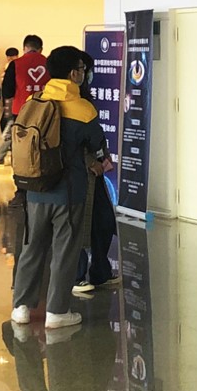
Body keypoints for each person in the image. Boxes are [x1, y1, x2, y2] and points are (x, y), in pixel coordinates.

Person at [11, 46, 107, 329]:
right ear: (73, 73)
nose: (83, 74)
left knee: (31, 248)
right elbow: (96, 144)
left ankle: (21, 308)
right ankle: (56, 311)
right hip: (69, 191)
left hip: (35, 188)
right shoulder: (84, 109)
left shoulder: (34, 101)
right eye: (81, 69)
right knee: (65, 250)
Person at [73, 50, 120, 294]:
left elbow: (95, 135)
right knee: (77, 224)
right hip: (77, 171)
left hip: (96, 170)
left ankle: (100, 271)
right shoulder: (63, 103)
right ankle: (77, 275)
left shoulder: (85, 101)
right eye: (84, 69)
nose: (87, 74)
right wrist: (89, 161)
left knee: (102, 220)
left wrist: (103, 156)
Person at [0, 36, 49, 204]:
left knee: (21, 154)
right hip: (45, 113)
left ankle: (21, 191)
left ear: (24, 48)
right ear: (41, 49)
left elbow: (7, 91)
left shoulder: (15, 64)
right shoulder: (49, 62)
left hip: (21, 114)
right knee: (43, 149)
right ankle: (42, 187)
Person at [0, 47, 19, 134]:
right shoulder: (7, 66)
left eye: (12, 56)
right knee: (8, 119)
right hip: (9, 97)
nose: (10, 58)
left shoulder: (17, 65)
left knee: (8, 119)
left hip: (13, 97)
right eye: (9, 57)